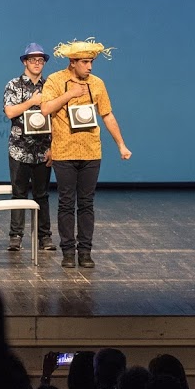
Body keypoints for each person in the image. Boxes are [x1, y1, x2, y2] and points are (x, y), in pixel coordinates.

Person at [40, 38, 131, 268]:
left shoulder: (97, 83)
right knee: (66, 202)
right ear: (72, 62)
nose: (89, 67)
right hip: (64, 152)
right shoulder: (55, 80)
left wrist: (121, 144)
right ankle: (68, 252)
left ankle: (86, 251)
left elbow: (107, 115)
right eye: (85, 62)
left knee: (87, 203)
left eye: (91, 62)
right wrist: (69, 94)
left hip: (91, 150)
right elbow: (45, 109)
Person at [2, 42, 56, 252]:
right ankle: (15, 236)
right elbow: (10, 112)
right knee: (19, 193)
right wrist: (32, 101)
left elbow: (55, 117)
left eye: (40, 60)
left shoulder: (50, 86)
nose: (37, 63)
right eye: (32, 59)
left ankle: (45, 237)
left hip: (43, 149)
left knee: (42, 194)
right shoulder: (14, 85)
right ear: (25, 62)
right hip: (19, 148)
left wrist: (54, 147)